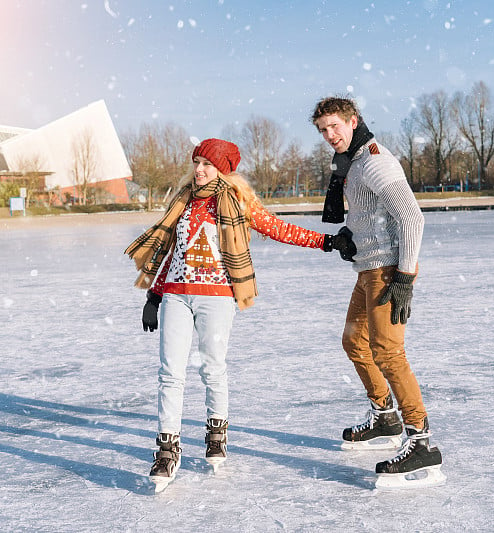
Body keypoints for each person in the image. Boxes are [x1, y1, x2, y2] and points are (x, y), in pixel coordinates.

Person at [125, 138, 354, 491]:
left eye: (207, 164)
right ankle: (167, 449)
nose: (199, 170)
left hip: (217, 298)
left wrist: (326, 241)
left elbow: (279, 229)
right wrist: (154, 295)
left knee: (212, 368)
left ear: (223, 169)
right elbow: (175, 251)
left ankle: (216, 432)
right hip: (176, 296)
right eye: (197, 163)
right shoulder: (183, 201)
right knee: (170, 373)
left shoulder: (236, 203)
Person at [311, 97, 444, 488]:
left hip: (389, 270)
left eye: (335, 126)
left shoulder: (373, 159)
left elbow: (411, 217)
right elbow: (369, 214)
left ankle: (421, 442)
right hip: (369, 267)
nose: (330, 135)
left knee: (388, 351)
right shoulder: (351, 164)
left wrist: (404, 277)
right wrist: (350, 237)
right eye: (323, 130)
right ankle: (384, 416)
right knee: (355, 342)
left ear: (353, 121)